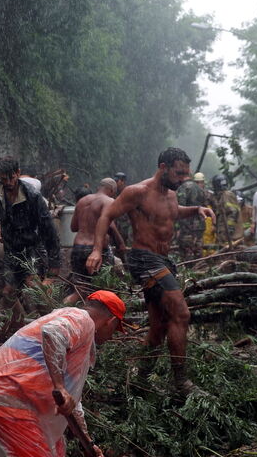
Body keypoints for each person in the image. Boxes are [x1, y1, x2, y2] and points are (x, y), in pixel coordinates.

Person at [86, 148, 214, 396]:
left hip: (163, 260)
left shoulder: (172, 194)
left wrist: (197, 209)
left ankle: (141, 379)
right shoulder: (138, 192)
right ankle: (181, 384)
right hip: (144, 259)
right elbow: (106, 215)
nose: (182, 179)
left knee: (160, 325)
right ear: (163, 167)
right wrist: (96, 250)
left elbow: (173, 214)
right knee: (181, 313)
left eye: (185, 175)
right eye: (178, 173)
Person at [0, 290, 125, 457]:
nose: (112, 336)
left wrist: (88, 443)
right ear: (111, 321)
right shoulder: (81, 319)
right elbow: (53, 333)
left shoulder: (75, 331)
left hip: (18, 399)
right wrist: (60, 387)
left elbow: (72, 399)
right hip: (8, 394)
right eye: (115, 329)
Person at [0, 157, 62, 316]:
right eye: (4, 179)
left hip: (31, 247)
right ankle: (18, 327)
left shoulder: (32, 195)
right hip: (11, 248)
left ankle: (54, 321)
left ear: (18, 173)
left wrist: (55, 262)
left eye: (12, 177)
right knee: (8, 292)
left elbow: (48, 230)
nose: (9, 182)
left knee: (33, 287)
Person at [64, 178, 126, 303]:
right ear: (112, 190)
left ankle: (60, 309)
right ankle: (99, 316)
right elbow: (111, 227)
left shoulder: (82, 201)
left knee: (80, 289)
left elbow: (74, 227)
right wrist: (121, 245)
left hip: (78, 249)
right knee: (102, 288)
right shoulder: (109, 201)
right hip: (96, 251)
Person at [174, 172, 208, 260]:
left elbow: (179, 209)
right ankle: (200, 269)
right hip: (200, 225)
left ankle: (189, 269)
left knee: (187, 252)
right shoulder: (202, 190)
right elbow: (205, 206)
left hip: (187, 227)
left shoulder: (183, 188)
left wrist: (177, 228)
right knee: (198, 250)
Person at [209, 175, 239, 247]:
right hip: (224, 234)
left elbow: (233, 213)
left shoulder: (227, 195)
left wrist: (228, 230)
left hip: (228, 235)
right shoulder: (223, 196)